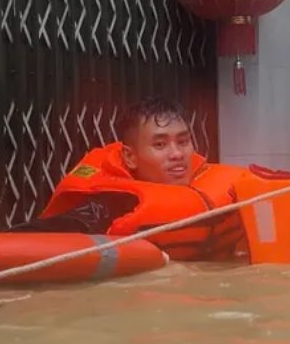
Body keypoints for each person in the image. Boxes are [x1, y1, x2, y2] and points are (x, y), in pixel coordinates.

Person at [26, 97, 247, 260]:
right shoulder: (111, 205)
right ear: (130, 157)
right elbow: (31, 240)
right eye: (160, 144)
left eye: (183, 141)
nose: (177, 154)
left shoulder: (234, 190)